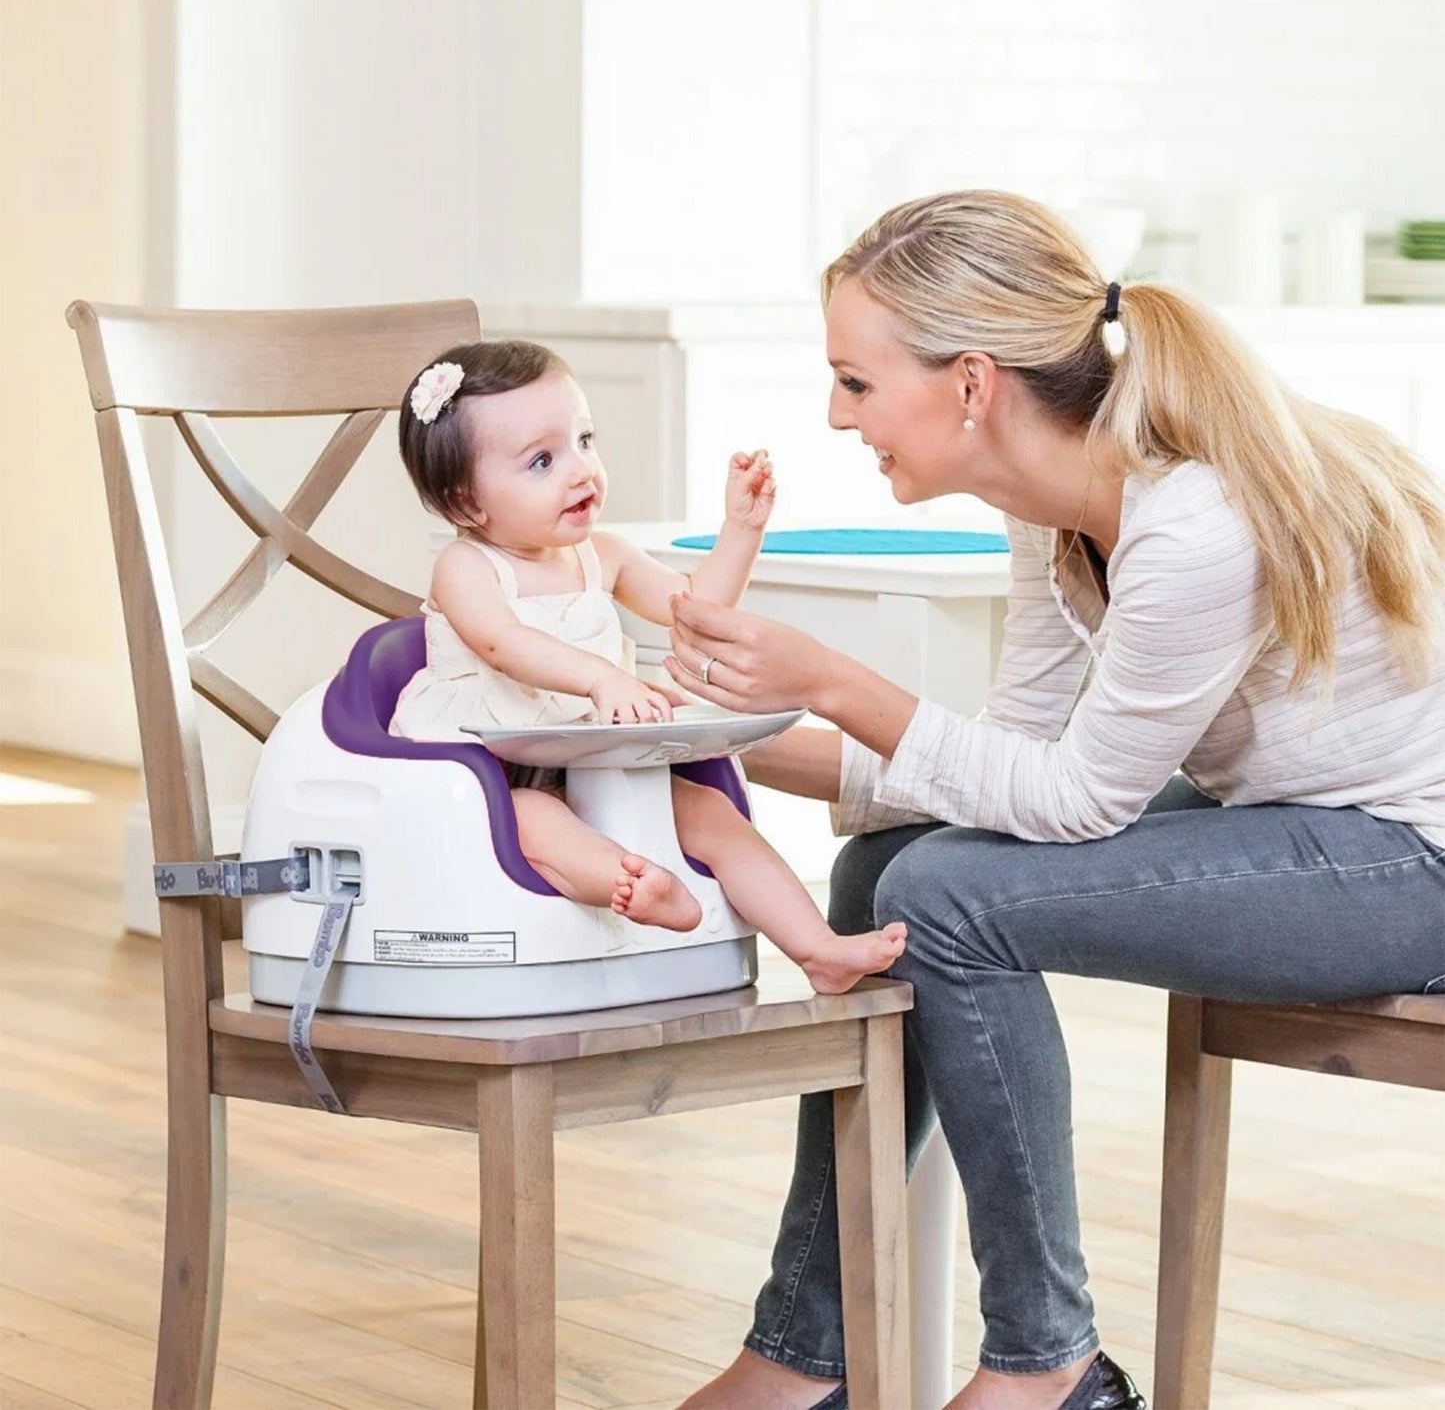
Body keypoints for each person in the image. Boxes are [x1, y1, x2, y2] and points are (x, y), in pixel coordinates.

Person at [666, 190, 1445, 1410]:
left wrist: (827, 680)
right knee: (888, 868)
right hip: (1308, 826)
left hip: (1409, 866)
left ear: (970, 384)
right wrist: (719, 742)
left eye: (855, 382)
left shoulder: (1191, 522)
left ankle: (1047, 1365)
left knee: (945, 893)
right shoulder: (1053, 512)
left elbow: (1074, 800)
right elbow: (1009, 764)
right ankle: (805, 1354)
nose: (835, 414)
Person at [388, 340, 907, 994]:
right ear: (466, 503)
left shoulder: (603, 555)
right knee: (532, 817)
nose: (581, 471)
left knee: (710, 811)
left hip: (586, 761)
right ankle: (629, 882)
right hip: (487, 776)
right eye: (543, 460)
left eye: (584, 441)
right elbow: (502, 644)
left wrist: (740, 531)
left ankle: (817, 949)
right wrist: (601, 677)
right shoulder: (466, 567)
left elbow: (695, 611)